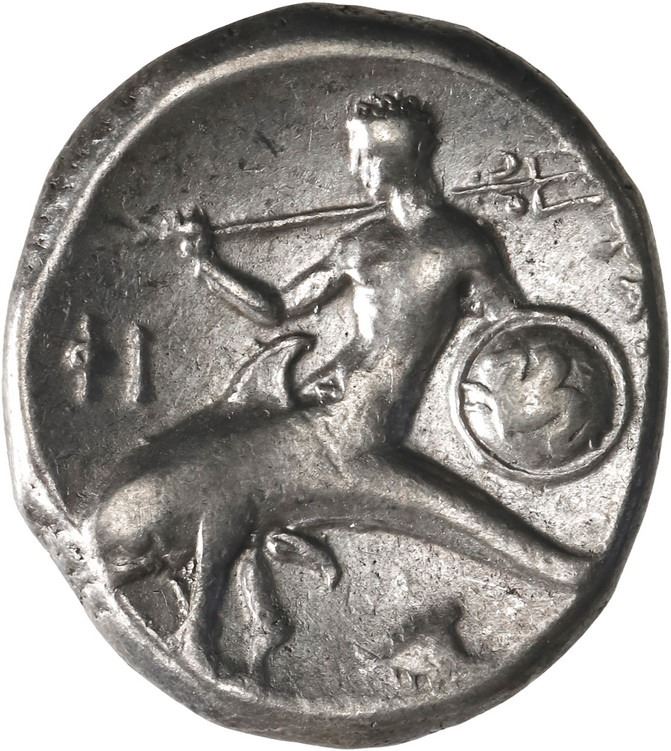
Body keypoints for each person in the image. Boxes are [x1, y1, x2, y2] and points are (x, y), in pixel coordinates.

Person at [96, 93, 583, 680]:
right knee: (209, 468)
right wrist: (208, 262)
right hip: (317, 409)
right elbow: (277, 310)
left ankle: (201, 638)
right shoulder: (361, 243)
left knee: (227, 480)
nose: (356, 170)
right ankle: (205, 633)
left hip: (355, 428)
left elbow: (516, 334)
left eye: (362, 156)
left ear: (394, 158)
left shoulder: (461, 246)